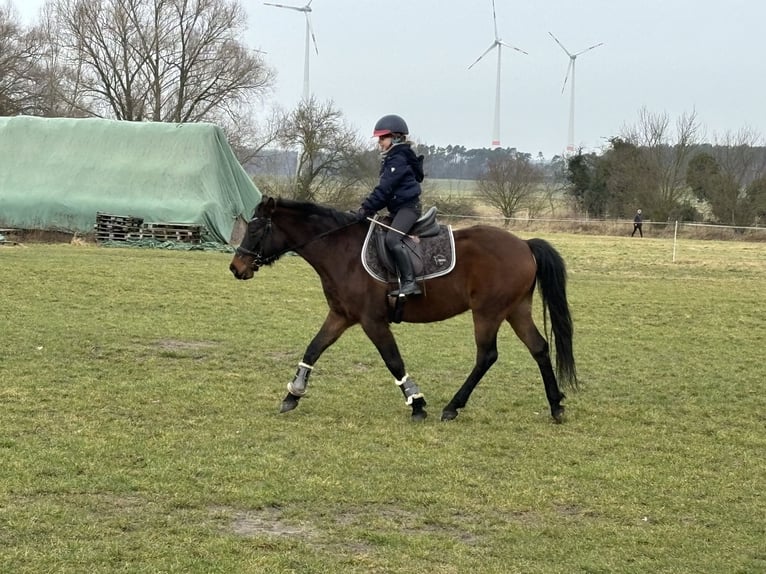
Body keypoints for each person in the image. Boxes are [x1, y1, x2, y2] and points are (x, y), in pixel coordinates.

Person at [358, 114, 425, 297]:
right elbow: (385, 192)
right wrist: (367, 208)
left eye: (382, 137)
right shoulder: (392, 158)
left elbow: (384, 189)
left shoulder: (398, 159)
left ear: (395, 137)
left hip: (408, 209)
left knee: (392, 239)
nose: (379, 142)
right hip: (397, 209)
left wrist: (366, 208)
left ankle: (410, 282)